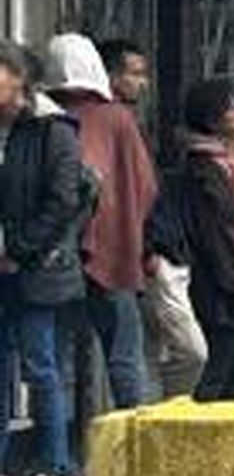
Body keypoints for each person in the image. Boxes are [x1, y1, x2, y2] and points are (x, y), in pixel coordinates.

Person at [45, 33, 157, 409]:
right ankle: (133, 453)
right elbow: (144, 188)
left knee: (56, 362)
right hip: (115, 254)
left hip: (55, 259)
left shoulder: (46, 119)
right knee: (124, 359)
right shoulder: (118, 119)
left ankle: (60, 455)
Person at [0, 40, 85, 476]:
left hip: (39, 268)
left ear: (18, 78)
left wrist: (19, 249)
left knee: (40, 364)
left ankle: (52, 469)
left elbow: (62, 200)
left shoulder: (53, 129)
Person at [99, 39, 210, 399]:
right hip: (138, 252)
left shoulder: (130, 122)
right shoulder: (112, 122)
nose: (143, 83)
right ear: (111, 76)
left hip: (155, 249)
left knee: (146, 350)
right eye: (134, 74)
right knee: (186, 349)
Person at [179, 79, 234, 402]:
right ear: (213, 120)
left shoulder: (230, 164)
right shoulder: (206, 169)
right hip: (223, 291)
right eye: (231, 108)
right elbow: (219, 236)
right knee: (220, 379)